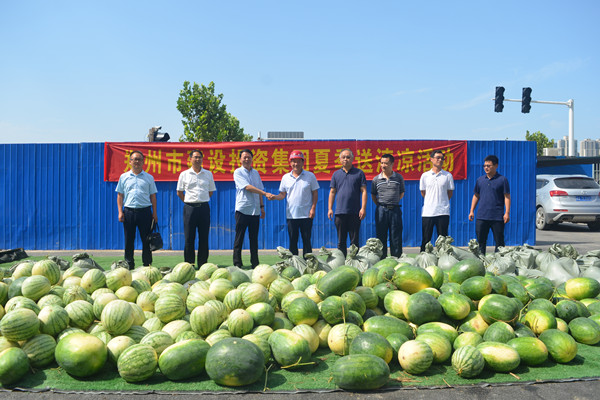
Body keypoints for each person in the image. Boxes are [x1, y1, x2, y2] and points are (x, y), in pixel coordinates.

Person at [270, 150, 319, 257]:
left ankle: (308, 262)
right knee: (293, 241)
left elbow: (315, 193)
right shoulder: (285, 177)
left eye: (298, 161)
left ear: (303, 162)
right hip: (291, 215)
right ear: (290, 163)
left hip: (306, 215)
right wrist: (275, 197)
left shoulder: (310, 176)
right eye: (293, 161)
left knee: (307, 240)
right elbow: (282, 195)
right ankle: (294, 262)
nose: (296, 164)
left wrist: (313, 208)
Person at [116, 150, 158, 269]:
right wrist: (120, 211)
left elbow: (153, 196)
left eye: (139, 159)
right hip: (129, 212)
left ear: (143, 162)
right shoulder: (124, 177)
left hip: (145, 212)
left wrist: (154, 213)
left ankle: (147, 265)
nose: (137, 162)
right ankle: (129, 265)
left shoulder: (149, 177)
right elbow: (120, 195)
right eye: (135, 159)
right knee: (129, 240)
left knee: (146, 240)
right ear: (130, 162)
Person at [176, 149, 216, 267]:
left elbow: (210, 192)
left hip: (204, 208)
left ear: (202, 159)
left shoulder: (208, 174)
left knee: (204, 237)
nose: (197, 159)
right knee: (189, 237)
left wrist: (201, 200)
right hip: (189, 209)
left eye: (199, 157)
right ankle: (189, 265)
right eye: (195, 157)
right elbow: (179, 192)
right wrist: (189, 202)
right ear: (190, 159)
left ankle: (203, 264)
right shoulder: (184, 174)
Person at [233, 149, 269, 268]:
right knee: (239, 238)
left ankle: (255, 263)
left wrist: (262, 207)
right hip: (242, 209)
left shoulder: (256, 173)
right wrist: (264, 193)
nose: (247, 159)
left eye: (249, 157)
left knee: (254, 239)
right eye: (244, 157)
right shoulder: (238, 172)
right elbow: (248, 187)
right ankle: (237, 263)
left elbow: (259, 190)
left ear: (252, 159)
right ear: (240, 159)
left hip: (255, 211)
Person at [328, 149, 367, 257]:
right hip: (340, 213)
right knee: (341, 241)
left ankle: (355, 262)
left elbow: (364, 191)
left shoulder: (359, 173)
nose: (346, 159)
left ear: (352, 159)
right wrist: (330, 208)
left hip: (355, 212)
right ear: (340, 159)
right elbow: (332, 192)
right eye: (343, 157)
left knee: (354, 241)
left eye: (348, 157)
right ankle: (342, 262)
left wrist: (363, 208)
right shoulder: (336, 174)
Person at [469, 155, 511, 255]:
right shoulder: (480, 180)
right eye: (484, 166)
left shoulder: (502, 180)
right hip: (482, 216)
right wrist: (471, 211)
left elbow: (507, 196)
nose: (486, 168)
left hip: (497, 216)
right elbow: (476, 196)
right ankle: (481, 260)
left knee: (499, 242)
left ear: (496, 166)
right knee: (481, 242)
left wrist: (507, 213)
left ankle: (499, 260)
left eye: (489, 165)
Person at [419, 150, 454, 251]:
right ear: (431, 159)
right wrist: (431, 201)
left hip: (443, 211)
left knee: (443, 240)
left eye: (442, 158)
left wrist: (442, 202)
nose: (440, 160)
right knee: (426, 239)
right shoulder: (425, 175)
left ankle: (443, 257)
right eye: (438, 158)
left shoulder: (447, 176)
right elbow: (423, 192)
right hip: (428, 212)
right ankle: (424, 257)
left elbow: (449, 193)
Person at [371, 154, 405, 258]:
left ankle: (396, 258)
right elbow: (373, 195)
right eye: (381, 163)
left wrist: (393, 201)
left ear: (392, 164)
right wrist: (381, 205)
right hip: (381, 210)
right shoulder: (376, 179)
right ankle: (382, 259)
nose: (383, 165)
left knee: (396, 236)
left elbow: (401, 193)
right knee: (381, 236)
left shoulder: (398, 178)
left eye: (386, 163)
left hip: (395, 210)